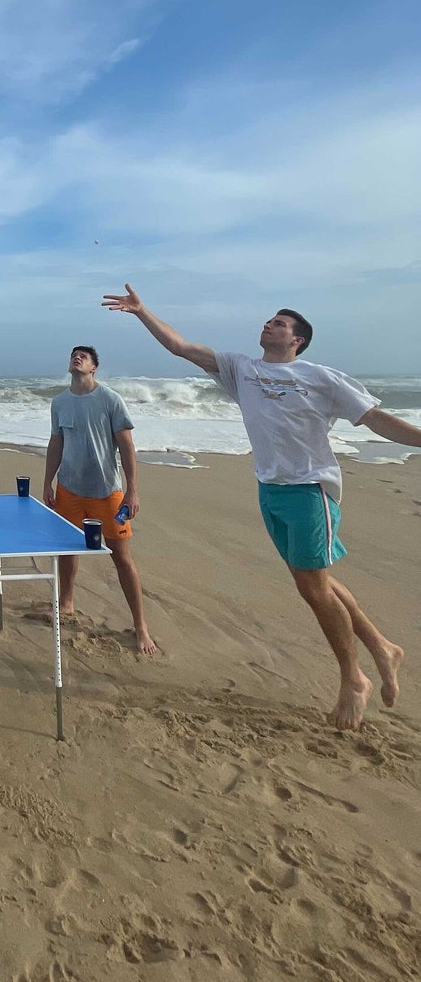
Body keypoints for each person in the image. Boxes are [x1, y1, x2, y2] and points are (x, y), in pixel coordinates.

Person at [103, 284, 420, 730]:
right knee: (316, 582)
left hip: (310, 488)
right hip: (270, 489)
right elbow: (181, 347)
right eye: (270, 320)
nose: (270, 325)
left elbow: (374, 418)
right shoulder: (240, 369)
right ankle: (383, 648)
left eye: (281, 323)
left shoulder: (321, 377)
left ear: (297, 341)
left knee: (313, 588)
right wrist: (141, 312)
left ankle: (354, 680)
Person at [42, 345, 156, 655]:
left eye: (84, 356)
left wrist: (132, 490)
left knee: (121, 557)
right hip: (68, 489)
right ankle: (66, 603)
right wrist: (48, 481)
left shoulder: (109, 399)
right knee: (67, 548)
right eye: (73, 355)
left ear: (94, 368)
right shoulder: (60, 403)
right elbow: (56, 443)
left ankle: (141, 626)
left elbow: (127, 447)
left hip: (107, 492)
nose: (76, 357)